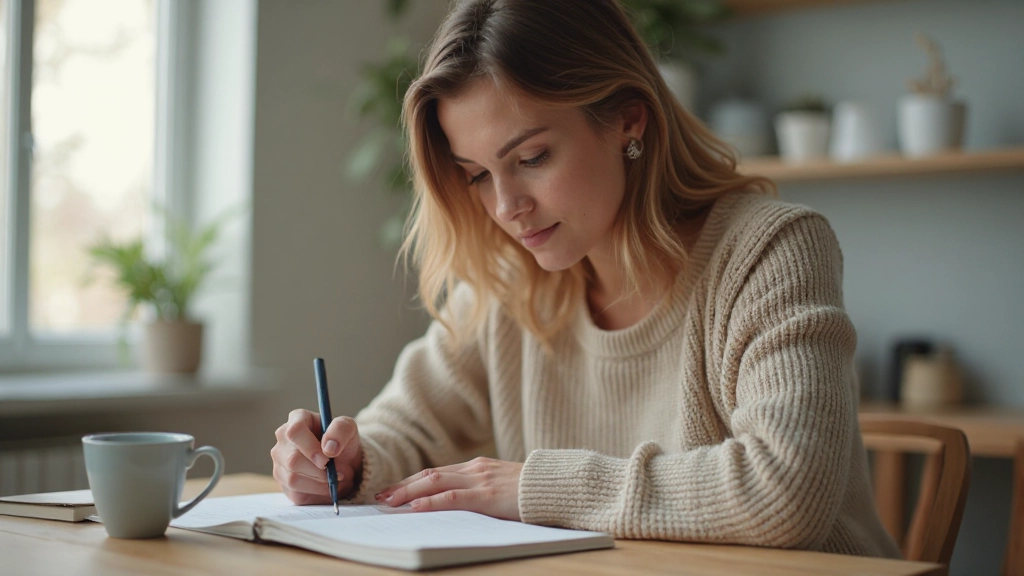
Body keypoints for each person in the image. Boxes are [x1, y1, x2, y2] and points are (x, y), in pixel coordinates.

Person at [271, 0, 901, 558]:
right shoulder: (509, 283)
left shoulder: (771, 251)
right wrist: (344, 464)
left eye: (532, 158)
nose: (505, 207)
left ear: (630, 119)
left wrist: (531, 487)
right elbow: (406, 427)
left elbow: (786, 490)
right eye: (478, 174)